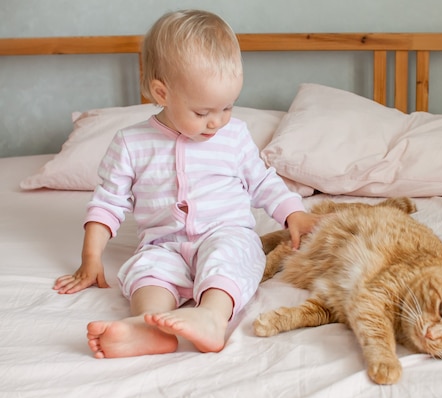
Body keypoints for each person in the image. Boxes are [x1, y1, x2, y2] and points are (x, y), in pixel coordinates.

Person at [53, 9, 319, 359]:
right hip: (164, 242)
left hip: (225, 231)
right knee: (147, 272)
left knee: (233, 258)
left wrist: (293, 214)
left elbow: (262, 181)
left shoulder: (234, 136)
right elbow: (108, 203)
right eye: (202, 112)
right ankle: (149, 328)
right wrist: (91, 257)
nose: (216, 122)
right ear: (161, 93)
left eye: (227, 107)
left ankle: (211, 316)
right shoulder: (130, 143)